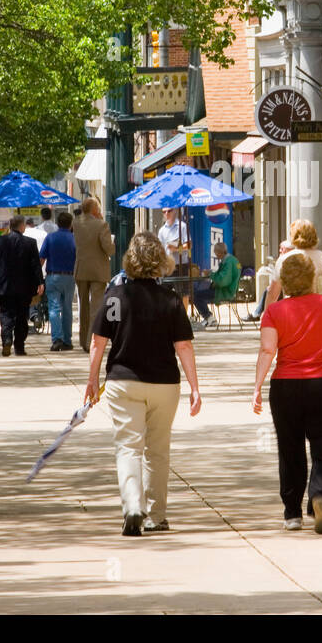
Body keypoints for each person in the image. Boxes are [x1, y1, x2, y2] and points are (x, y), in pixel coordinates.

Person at [86, 232, 202, 536]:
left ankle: (133, 506)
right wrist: (195, 386)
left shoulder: (115, 297)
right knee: (158, 450)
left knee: (128, 446)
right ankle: (157, 515)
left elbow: (98, 342)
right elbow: (184, 346)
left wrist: (92, 379)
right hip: (165, 384)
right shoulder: (171, 300)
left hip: (124, 382)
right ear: (160, 262)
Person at [251, 253, 322, 534]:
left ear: (284, 282)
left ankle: (292, 513)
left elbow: (267, 350)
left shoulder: (273, 312)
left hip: (286, 388)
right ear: (312, 278)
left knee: (290, 448)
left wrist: (257, 386)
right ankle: (319, 494)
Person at [0, 214, 44, 356]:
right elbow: (36, 265)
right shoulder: (30, 243)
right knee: (21, 316)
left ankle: (6, 339)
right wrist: (40, 282)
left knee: (6, 314)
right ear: (22, 226)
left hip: (3, 286)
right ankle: (19, 346)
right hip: (24, 287)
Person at [262, 220, 322, 311]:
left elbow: (272, 293)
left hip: (292, 311)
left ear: (293, 236)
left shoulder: (284, 259)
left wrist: (267, 315)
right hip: (319, 310)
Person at [73, 196, 116, 353]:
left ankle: (83, 340)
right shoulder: (101, 224)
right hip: (98, 270)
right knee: (96, 307)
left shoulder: (76, 223)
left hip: (81, 269)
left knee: (83, 307)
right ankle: (91, 340)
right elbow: (108, 248)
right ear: (94, 210)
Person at [40, 210, 76, 351]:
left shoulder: (50, 238)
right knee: (67, 309)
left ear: (57, 223)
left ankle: (57, 339)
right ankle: (67, 340)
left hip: (53, 276)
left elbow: (41, 259)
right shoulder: (74, 239)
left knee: (54, 308)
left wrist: (38, 278)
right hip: (69, 277)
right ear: (70, 224)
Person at [191, 241, 241, 331]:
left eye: (216, 253)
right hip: (229, 289)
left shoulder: (228, 262)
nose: (216, 256)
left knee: (196, 295)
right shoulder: (232, 260)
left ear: (220, 252)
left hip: (225, 292)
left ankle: (209, 317)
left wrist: (211, 274)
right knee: (199, 293)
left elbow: (223, 280)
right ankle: (208, 317)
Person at [157, 208, 191, 276]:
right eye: (164, 212)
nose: (166, 213)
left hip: (181, 266)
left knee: (181, 286)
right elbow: (159, 249)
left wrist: (176, 248)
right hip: (167, 266)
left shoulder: (182, 226)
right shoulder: (161, 231)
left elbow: (189, 245)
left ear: (175, 211)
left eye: (169, 211)